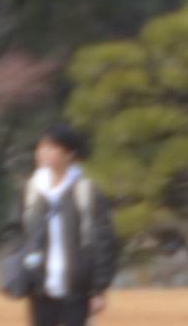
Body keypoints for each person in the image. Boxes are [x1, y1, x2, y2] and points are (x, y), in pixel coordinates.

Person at [16, 123, 117, 326]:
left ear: (69, 154)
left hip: (77, 291)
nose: (42, 153)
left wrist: (99, 289)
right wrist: (19, 271)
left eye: (51, 147)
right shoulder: (31, 192)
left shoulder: (86, 192)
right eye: (40, 147)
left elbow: (104, 243)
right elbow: (17, 234)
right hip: (40, 290)